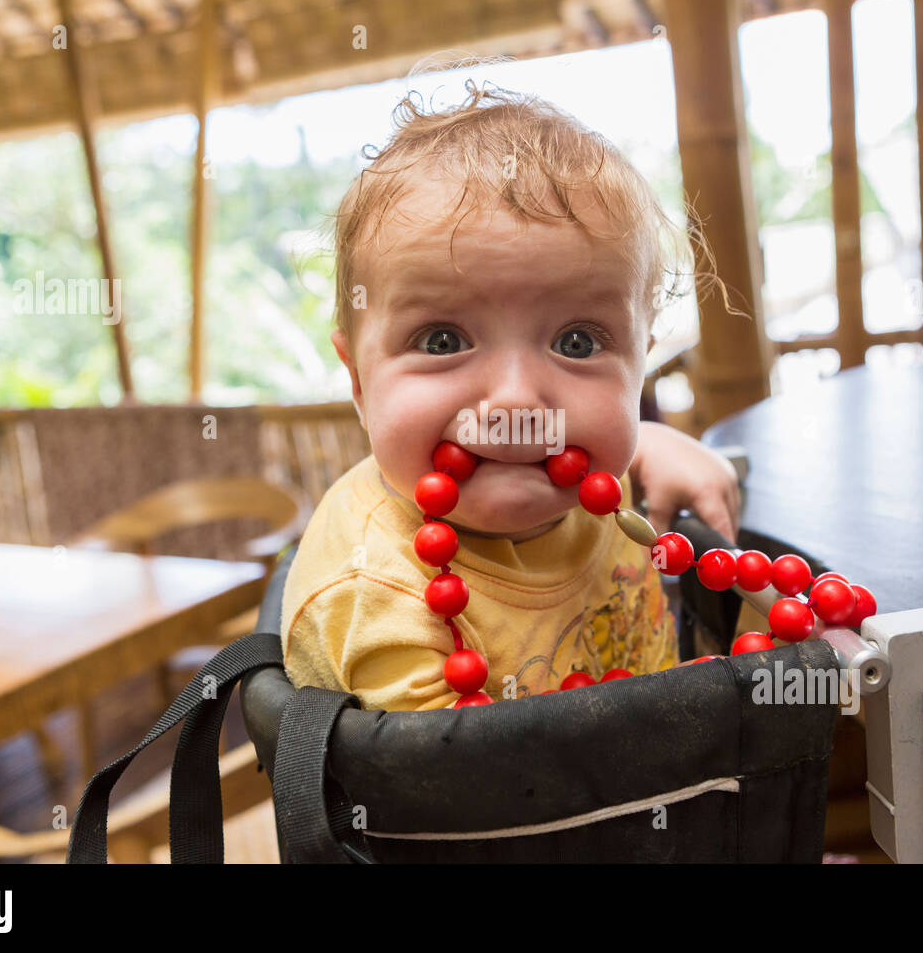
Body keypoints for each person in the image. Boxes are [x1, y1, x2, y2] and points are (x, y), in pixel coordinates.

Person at [281, 80, 743, 710]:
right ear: (358, 382)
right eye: (442, 340)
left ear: (639, 369)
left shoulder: (595, 476)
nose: (516, 402)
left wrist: (656, 443)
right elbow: (471, 794)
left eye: (578, 342)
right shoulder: (373, 598)